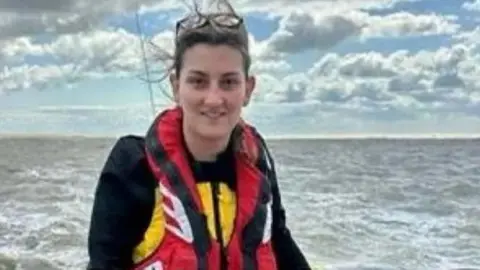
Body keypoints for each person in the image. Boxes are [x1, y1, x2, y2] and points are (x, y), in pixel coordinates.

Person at [86, 1, 312, 269]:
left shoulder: (257, 159)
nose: (214, 99)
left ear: (248, 89)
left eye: (229, 82)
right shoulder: (133, 165)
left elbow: (279, 240)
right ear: (176, 85)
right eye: (198, 81)